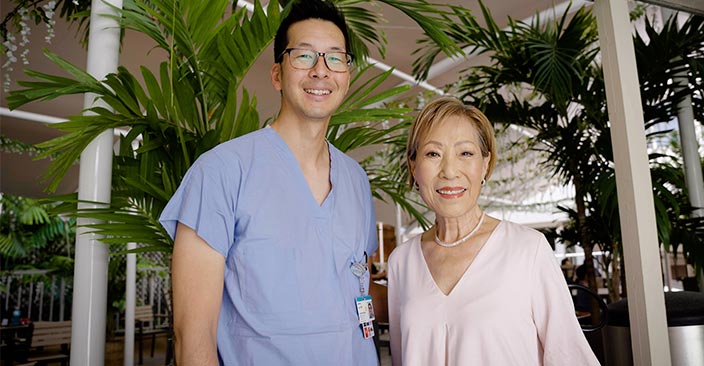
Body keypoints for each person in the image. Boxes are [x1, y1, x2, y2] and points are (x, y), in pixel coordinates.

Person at [159, 1, 379, 364]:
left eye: (335, 58)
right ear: (277, 74)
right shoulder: (220, 172)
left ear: (347, 77)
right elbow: (192, 339)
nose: (321, 70)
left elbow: (356, 294)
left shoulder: (355, 180)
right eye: (305, 56)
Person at [387, 97, 599, 365]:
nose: (450, 171)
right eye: (433, 154)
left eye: (465, 153)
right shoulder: (401, 262)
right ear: (413, 167)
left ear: (485, 164)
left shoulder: (527, 249)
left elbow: (569, 356)